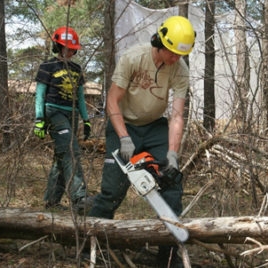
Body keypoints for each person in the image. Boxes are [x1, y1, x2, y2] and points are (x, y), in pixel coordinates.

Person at [88, 16, 195, 267]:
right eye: (172, 53)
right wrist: (124, 137)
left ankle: (168, 255)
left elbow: (177, 114)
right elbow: (113, 100)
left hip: (155, 125)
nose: (175, 59)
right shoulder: (133, 58)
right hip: (123, 123)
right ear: (159, 42)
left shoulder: (180, 70)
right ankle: (90, 245)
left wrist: (172, 154)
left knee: (171, 186)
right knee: (113, 190)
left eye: (180, 55)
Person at [34, 26, 93, 211]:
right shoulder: (47, 66)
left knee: (61, 157)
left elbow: (81, 97)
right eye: (68, 48)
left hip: (72, 114)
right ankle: (80, 197)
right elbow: (40, 94)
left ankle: (51, 201)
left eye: (73, 49)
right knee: (71, 151)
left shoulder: (76, 68)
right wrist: (39, 119)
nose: (71, 52)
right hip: (54, 112)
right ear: (58, 46)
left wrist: (86, 119)